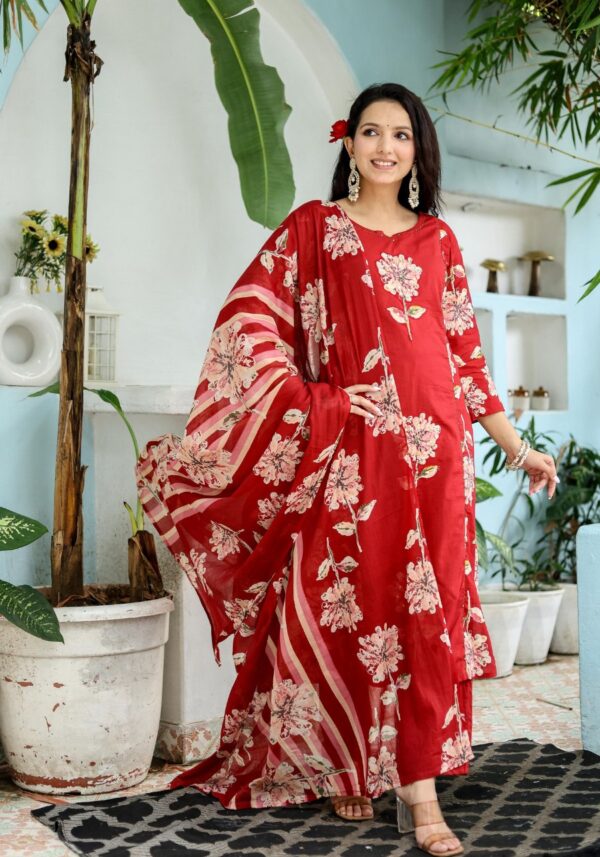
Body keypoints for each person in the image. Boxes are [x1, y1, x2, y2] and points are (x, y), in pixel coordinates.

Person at [136, 82, 558, 856]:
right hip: (352, 456)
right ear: (349, 143)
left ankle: (420, 790)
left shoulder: (438, 241)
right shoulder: (314, 229)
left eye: (400, 134)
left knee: (425, 616)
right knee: (352, 612)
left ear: (417, 151)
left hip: (439, 458)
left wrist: (517, 446)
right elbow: (248, 322)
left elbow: (466, 360)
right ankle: (348, 763)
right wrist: (317, 398)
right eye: (371, 132)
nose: (385, 146)